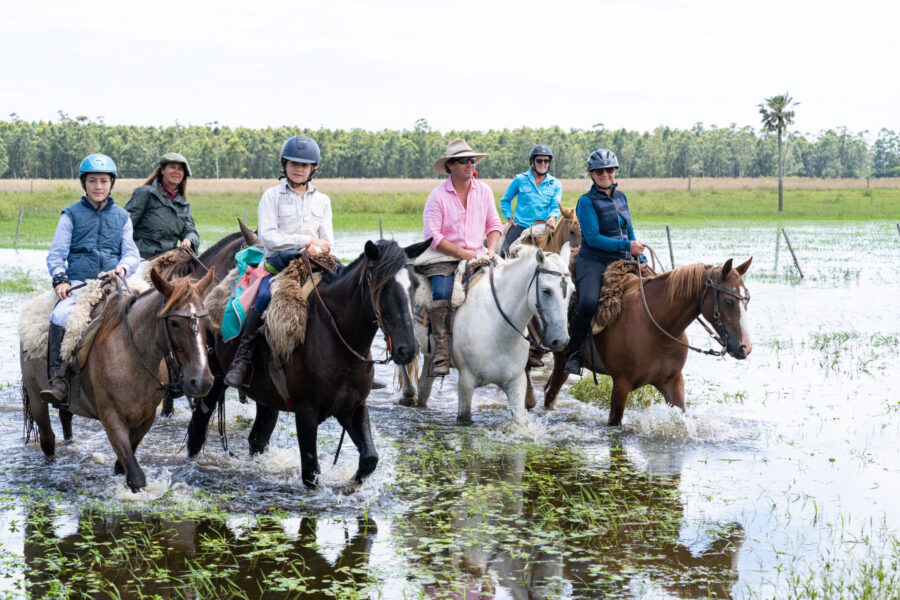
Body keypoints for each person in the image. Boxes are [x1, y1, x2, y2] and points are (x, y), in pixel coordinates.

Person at [224, 135, 333, 388]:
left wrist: (319, 247)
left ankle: (352, 362)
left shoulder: (323, 201)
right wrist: (305, 242)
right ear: (284, 165)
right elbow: (270, 238)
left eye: (304, 165)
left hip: (316, 262)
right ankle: (242, 360)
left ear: (313, 169)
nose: (298, 169)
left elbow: (327, 239)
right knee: (261, 297)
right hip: (280, 263)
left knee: (346, 292)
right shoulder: (272, 196)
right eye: (293, 163)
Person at [40, 154, 141, 408]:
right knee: (60, 317)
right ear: (84, 184)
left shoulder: (122, 216)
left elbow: (131, 253)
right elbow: (57, 254)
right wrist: (60, 279)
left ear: (111, 184)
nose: (98, 186)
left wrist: (123, 267)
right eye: (93, 181)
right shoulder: (70, 215)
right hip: (80, 283)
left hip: (113, 282)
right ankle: (58, 379)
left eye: (103, 181)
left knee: (150, 313)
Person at [422, 139, 504, 376]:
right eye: (463, 161)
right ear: (450, 166)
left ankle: (522, 348)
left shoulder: (484, 191)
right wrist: (460, 253)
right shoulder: (437, 196)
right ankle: (441, 352)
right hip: (443, 258)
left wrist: (491, 248)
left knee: (511, 284)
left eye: (472, 160)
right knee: (442, 292)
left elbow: (494, 224)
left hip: (479, 254)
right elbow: (433, 236)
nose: (470, 164)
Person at [565, 149, 646, 375]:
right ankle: (574, 352)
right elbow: (592, 238)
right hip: (593, 261)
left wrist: (641, 255)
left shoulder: (622, 197)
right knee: (589, 301)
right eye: (599, 171)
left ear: (615, 171)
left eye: (609, 170)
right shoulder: (586, 201)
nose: (605, 174)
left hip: (623, 259)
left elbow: (629, 230)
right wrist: (626, 247)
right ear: (592, 174)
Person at [125, 152, 199, 262]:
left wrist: (189, 240)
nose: (176, 172)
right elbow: (125, 225)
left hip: (169, 259)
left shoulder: (183, 204)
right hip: (141, 258)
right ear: (162, 170)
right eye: (172, 167)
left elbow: (191, 231)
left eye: (180, 169)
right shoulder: (145, 193)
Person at [499, 144, 562, 257]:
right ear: (532, 162)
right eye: (539, 160)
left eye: (546, 161)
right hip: (521, 225)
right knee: (505, 252)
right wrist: (509, 218)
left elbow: (555, 206)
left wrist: (552, 217)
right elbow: (505, 200)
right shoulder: (520, 179)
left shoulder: (555, 184)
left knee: (555, 257)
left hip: (542, 228)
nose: (543, 164)